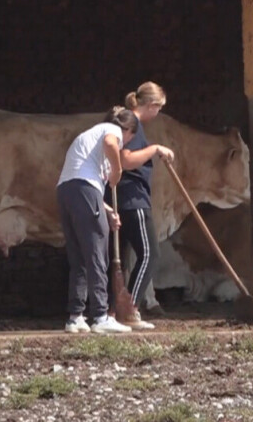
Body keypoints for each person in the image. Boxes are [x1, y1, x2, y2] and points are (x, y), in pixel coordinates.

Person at [57, 106, 137, 334]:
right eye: (129, 139)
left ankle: (75, 317)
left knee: (79, 257)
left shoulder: (89, 137)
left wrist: (108, 210)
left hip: (67, 192)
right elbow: (112, 144)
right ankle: (101, 315)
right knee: (97, 253)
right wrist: (117, 171)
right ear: (128, 130)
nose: (126, 143)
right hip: (84, 191)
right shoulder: (112, 130)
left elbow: (81, 183)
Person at [106, 81, 174, 330]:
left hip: (122, 196)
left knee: (119, 257)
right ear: (152, 105)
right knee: (149, 253)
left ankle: (112, 311)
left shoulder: (127, 122)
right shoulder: (132, 124)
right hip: (132, 197)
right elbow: (126, 160)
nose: (158, 114)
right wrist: (155, 149)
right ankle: (130, 309)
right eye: (159, 108)